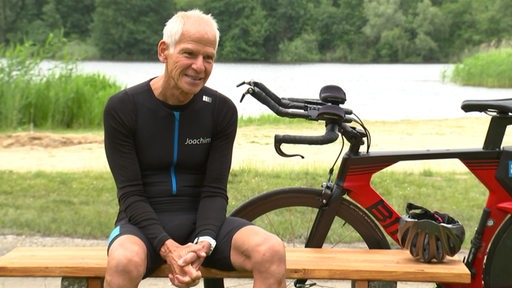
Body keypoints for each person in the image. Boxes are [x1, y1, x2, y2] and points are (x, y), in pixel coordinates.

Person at [102, 9, 286, 288]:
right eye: (189, 54)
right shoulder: (124, 108)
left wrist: (204, 244)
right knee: (123, 261)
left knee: (270, 250)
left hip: (205, 225)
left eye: (208, 57)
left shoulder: (221, 111)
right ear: (164, 51)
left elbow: (214, 191)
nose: (199, 66)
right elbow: (130, 195)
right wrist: (168, 248)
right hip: (140, 226)